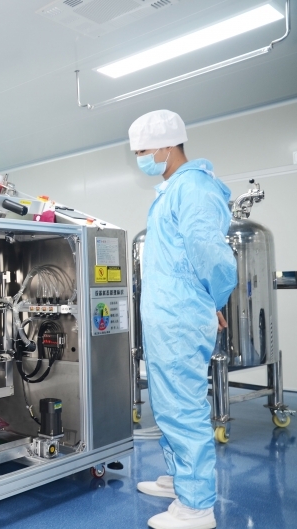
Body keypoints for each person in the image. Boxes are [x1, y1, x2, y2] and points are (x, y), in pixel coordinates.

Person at [129, 110, 237, 529]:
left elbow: (212, 256)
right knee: (167, 404)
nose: (141, 158)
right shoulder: (172, 189)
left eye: (143, 151)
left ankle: (196, 506)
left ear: (168, 145)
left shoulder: (194, 188)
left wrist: (215, 299)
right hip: (167, 316)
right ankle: (180, 480)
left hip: (180, 316)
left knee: (183, 407)